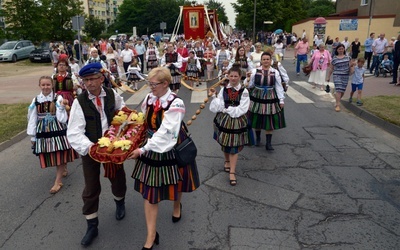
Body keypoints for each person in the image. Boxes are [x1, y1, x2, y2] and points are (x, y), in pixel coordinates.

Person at [128, 67, 200, 250]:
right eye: (149, 83)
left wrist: (143, 150)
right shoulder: (150, 99)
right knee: (150, 192)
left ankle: (177, 205)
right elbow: (144, 120)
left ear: (165, 83)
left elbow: (166, 133)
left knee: (177, 181)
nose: (150, 87)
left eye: (153, 84)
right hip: (151, 146)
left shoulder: (176, 104)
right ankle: (151, 235)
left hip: (170, 144)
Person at [67, 63, 127, 247]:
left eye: (92, 79)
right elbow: (74, 132)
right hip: (91, 149)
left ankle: (120, 202)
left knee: (118, 178)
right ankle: (92, 225)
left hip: (112, 148)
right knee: (91, 186)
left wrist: (121, 130)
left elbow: (122, 111)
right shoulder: (80, 101)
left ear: (101, 79)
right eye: (85, 80)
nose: (89, 83)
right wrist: (92, 148)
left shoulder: (111, 94)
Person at [27, 76, 78, 194]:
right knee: (51, 154)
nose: (46, 87)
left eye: (48, 85)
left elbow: (62, 117)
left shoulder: (58, 98)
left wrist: (61, 107)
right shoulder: (36, 100)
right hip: (43, 131)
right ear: (39, 86)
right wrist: (33, 136)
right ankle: (63, 167)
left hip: (57, 128)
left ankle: (58, 181)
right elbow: (32, 118)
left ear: (52, 85)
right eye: (43, 85)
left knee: (59, 152)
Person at [209, 67, 250, 185]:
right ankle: (226, 160)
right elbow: (219, 105)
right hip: (224, 120)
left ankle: (232, 172)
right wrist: (214, 96)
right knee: (224, 142)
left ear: (240, 77)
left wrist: (227, 109)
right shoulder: (224, 90)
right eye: (231, 76)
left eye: (236, 76)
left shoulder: (244, 91)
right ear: (228, 76)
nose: (233, 78)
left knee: (234, 146)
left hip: (237, 121)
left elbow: (242, 109)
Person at [244, 52, 286, 150]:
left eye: (268, 59)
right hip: (257, 96)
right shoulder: (254, 71)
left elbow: (279, 86)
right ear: (261, 61)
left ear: (270, 61)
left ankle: (268, 143)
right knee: (257, 118)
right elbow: (249, 85)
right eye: (264, 59)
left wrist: (281, 100)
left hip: (270, 97)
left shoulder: (275, 72)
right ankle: (258, 139)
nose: (266, 61)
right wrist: (248, 78)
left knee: (269, 120)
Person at [326, 44, 354, 112]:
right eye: (339, 49)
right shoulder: (334, 59)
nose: (341, 50)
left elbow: (351, 66)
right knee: (338, 90)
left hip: (345, 76)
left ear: (344, 49)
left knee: (342, 91)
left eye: (342, 49)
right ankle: (338, 105)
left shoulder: (348, 58)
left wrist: (352, 70)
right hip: (337, 75)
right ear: (337, 50)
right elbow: (331, 68)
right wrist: (328, 76)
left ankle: (337, 101)